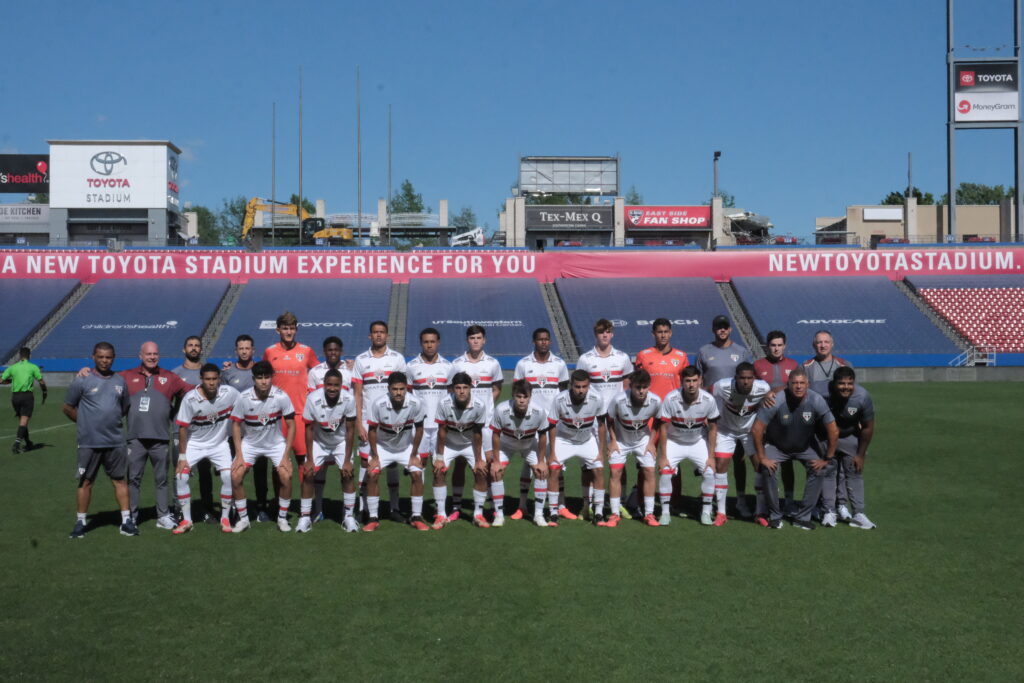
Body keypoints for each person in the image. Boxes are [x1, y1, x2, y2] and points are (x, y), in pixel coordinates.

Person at [750, 366, 838, 530]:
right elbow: (756, 429)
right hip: (777, 446)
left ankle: (802, 517)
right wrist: (762, 457)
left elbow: (833, 430)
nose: (798, 386)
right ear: (788, 384)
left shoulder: (816, 400)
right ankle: (775, 516)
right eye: (795, 383)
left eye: (802, 383)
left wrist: (827, 458)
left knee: (819, 469)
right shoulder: (775, 400)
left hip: (805, 447)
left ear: (807, 384)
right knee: (767, 469)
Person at [64, 342, 134, 538]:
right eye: (101, 357)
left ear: (113, 358)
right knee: (86, 482)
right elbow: (68, 407)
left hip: (115, 441)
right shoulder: (82, 380)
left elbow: (124, 408)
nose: (105, 361)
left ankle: (126, 521)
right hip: (89, 442)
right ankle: (80, 522)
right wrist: (85, 423)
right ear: (93, 357)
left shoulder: (120, 381)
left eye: (108, 357)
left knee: (119, 480)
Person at [120, 342, 192, 529]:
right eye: (148, 354)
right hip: (135, 438)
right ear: (140, 355)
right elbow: (106, 380)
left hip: (160, 439)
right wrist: (87, 371)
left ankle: (163, 515)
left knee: (162, 479)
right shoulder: (126, 376)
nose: (152, 357)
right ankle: (131, 516)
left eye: (155, 354)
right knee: (133, 479)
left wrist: (217, 381)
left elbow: (192, 390)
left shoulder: (170, 377)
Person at [695, 315, 755, 517]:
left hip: (737, 414)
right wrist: (701, 410)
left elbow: (750, 380)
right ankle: (709, 499)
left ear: (730, 329)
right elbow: (699, 383)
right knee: (712, 458)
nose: (722, 330)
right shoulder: (704, 351)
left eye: (725, 327)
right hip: (713, 415)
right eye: (718, 327)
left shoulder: (741, 351)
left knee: (739, 460)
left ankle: (740, 500)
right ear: (713, 330)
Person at [574, 319, 632, 520]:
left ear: (612, 334)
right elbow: (579, 387)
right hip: (592, 420)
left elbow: (627, 385)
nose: (605, 335)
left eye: (608, 332)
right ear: (595, 334)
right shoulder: (585, 359)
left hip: (616, 420)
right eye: (601, 332)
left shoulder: (622, 358)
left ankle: (620, 502)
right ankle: (588, 504)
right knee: (590, 463)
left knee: (619, 463)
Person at [262, 311, 319, 519]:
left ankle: (306, 507)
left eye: (292, 328)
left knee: (304, 462)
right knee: (278, 463)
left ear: (296, 329)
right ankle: (279, 505)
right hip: (277, 417)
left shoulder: (306, 351)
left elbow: (319, 373)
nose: (289, 332)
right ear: (278, 330)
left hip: (300, 416)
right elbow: (262, 376)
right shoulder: (269, 352)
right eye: (285, 328)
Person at [630, 318, 689, 518]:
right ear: (653, 334)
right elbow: (637, 383)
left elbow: (685, 385)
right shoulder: (643, 355)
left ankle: (674, 503)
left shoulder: (681, 356)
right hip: (649, 415)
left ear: (670, 333)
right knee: (645, 460)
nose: (663, 335)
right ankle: (640, 502)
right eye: (659, 332)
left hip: (672, 415)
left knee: (673, 460)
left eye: (666, 331)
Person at [229, 361, 296, 533]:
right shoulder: (243, 398)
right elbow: (235, 425)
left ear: (272, 378)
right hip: (251, 444)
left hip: (275, 444)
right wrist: (239, 455)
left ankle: (282, 518)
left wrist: (285, 456)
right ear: (253, 379)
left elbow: (291, 425)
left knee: (286, 475)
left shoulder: (281, 396)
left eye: (267, 377)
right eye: (260, 378)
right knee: (235, 475)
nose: (264, 381)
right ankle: (244, 519)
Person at [172, 364, 239, 534]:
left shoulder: (230, 393)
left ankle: (225, 518)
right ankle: (187, 520)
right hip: (194, 444)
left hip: (219, 444)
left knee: (227, 476)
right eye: (208, 379)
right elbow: (182, 428)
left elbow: (244, 405)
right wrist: (182, 457)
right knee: (181, 476)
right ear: (201, 379)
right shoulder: (190, 399)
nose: (211, 383)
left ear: (219, 379)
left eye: (215, 379)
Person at [510, 328, 567, 519]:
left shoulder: (559, 364)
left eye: (546, 339)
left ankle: (560, 505)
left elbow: (563, 392)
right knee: (530, 464)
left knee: (556, 463)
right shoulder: (523, 364)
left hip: (553, 424)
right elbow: (517, 391)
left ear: (550, 341)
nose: (543, 342)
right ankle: (522, 505)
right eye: (540, 339)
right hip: (530, 422)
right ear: (534, 342)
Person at [352, 321, 407, 520]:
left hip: (392, 421)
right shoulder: (361, 360)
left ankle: (394, 508)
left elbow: (404, 391)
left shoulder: (397, 359)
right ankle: (363, 508)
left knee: (392, 463)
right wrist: (359, 423)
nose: (378, 335)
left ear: (387, 336)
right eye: (375, 332)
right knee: (366, 464)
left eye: (382, 332)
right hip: (369, 422)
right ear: (370, 335)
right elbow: (357, 394)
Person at [448, 325, 503, 519]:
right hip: (463, 423)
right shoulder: (456, 364)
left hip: (485, 423)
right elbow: (451, 390)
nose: (476, 341)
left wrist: (485, 406)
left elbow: (497, 388)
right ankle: (456, 505)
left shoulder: (493, 363)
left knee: (487, 464)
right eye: (472, 338)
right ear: (467, 340)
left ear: (484, 340)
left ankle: (488, 504)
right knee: (460, 463)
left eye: (479, 338)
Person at [711, 362, 772, 526]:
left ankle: (760, 512)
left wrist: (769, 395)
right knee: (721, 465)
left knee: (759, 466)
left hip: (749, 432)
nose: (746, 382)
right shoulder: (722, 385)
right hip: (726, 430)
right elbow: (708, 393)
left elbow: (773, 394)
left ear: (754, 378)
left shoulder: (763, 387)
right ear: (735, 378)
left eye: (749, 378)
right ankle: (721, 513)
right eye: (742, 378)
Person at [656, 366, 719, 526]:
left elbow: (713, 429)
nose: (691, 384)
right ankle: (665, 513)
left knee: (710, 472)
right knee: (665, 472)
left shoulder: (709, 400)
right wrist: (663, 456)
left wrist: (711, 457)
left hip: (697, 441)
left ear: (700, 381)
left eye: (694, 380)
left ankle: (706, 512)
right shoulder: (671, 398)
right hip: (674, 441)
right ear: (681, 382)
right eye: (688, 381)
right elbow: (663, 428)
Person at [365, 372, 427, 532]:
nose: (398, 393)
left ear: (406, 388)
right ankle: (373, 518)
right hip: (382, 447)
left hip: (406, 448)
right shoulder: (378, 404)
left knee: (417, 474)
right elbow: (372, 431)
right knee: (372, 474)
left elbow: (420, 429)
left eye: (401, 389)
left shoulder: (416, 403)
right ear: (388, 389)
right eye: (394, 389)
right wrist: (375, 457)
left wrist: (413, 455)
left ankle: (416, 517)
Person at [546, 370, 608, 526]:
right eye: (577, 386)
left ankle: (599, 513)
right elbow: (552, 426)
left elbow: (601, 425)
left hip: (586, 440)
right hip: (564, 439)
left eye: (584, 386)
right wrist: (552, 452)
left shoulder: (597, 398)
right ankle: (553, 512)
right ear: (571, 385)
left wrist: (601, 451)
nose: (581, 390)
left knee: (599, 469)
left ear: (589, 385)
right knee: (553, 469)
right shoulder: (559, 399)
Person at [222, 334, 272, 522]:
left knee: (260, 472)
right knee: (236, 471)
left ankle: (261, 507)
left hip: (258, 431)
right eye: (241, 348)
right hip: (234, 431)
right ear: (236, 350)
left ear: (253, 350)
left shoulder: (261, 371)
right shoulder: (227, 373)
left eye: (247, 348)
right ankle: (237, 507)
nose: (244, 351)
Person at [803, 329, 853, 517]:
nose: (822, 345)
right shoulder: (806, 367)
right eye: (819, 342)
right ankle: (817, 504)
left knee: (840, 465)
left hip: (840, 423)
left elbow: (852, 393)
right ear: (813, 345)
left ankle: (841, 504)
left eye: (826, 342)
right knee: (817, 464)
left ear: (832, 344)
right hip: (817, 425)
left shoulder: (844, 365)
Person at [603, 369, 662, 527]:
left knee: (649, 471)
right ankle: (614, 514)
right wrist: (613, 441)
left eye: (644, 387)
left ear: (649, 386)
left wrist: (651, 442)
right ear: (631, 386)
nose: (641, 391)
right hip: (620, 440)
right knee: (615, 472)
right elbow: (609, 419)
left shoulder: (656, 401)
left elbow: (658, 420)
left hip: (643, 440)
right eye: (637, 387)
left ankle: (649, 514)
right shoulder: (619, 400)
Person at [489, 379, 552, 528]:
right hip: (506, 445)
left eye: (525, 396)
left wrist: (541, 461)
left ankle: (538, 515)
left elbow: (543, 436)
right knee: (496, 472)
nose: (522, 400)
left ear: (530, 396)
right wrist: (496, 461)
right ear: (513, 395)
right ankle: (499, 515)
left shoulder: (539, 411)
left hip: (529, 445)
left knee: (541, 472)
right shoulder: (501, 409)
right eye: (518, 396)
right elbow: (495, 435)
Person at [302, 369, 358, 532]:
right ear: (324, 384)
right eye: (329, 384)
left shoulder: (349, 399)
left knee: (347, 474)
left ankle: (348, 517)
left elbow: (350, 430)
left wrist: (347, 461)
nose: (332, 388)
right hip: (319, 442)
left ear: (341, 385)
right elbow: (308, 429)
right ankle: (305, 517)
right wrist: (309, 459)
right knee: (308, 473)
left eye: (336, 385)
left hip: (340, 442)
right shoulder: (312, 398)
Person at [821, 366, 876, 529]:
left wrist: (861, 455)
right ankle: (829, 511)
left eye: (849, 383)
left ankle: (859, 513)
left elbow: (868, 427)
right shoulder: (822, 392)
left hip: (850, 436)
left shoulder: (862, 396)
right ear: (834, 383)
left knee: (854, 472)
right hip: (826, 437)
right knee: (828, 472)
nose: (846, 387)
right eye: (841, 383)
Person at [406, 328, 452, 521]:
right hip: (420, 427)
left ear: (438, 342)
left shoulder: (448, 367)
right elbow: (407, 395)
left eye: (432, 341)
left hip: (441, 427)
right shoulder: (411, 366)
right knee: (419, 468)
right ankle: (418, 511)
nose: (429, 345)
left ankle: (440, 512)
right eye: (426, 342)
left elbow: (452, 396)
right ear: (421, 343)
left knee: (439, 467)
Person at [305, 335, 352, 521]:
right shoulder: (315, 372)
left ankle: (348, 515)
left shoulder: (349, 371)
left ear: (341, 351)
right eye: (329, 350)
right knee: (318, 471)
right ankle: (317, 509)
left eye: (336, 350)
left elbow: (353, 398)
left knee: (347, 472)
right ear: (324, 352)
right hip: (320, 432)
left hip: (341, 429)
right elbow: (312, 401)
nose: (333, 353)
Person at [753, 330, 800, 515]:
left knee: (787, 462)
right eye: (773, 345)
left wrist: (777, 390)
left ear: (785, 346)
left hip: (787, 420)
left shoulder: (793, 365)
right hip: (765, 420)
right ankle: (766, 501)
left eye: (780, 345)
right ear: (767, 346)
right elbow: (751, 391)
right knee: (766, 460)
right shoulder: (757, 365)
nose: (776, 348)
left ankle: (788, 501)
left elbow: (799, 388)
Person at [433, 372, 489, 528]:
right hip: (448, 443)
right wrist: (439, 458)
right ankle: (441, 515)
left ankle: (478, 514)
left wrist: (479, 460)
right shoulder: (444, 403)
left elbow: (477, 433)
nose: (462, 391)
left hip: (469, 444)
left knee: (481, 471)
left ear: (471, 388)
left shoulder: (479, 405)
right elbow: (441, 431)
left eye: (465, 387)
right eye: (458, 388)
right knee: (438, 471)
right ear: (452, 389)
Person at [171, 335, 215, 522]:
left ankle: (207, 509)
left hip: (204, 432)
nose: (194, 348)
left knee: (205, 472)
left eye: (197, 345)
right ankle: (179, 510)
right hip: (180, 430)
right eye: (190, 345)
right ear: (184, 349)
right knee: (180, 471)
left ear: (201, 349)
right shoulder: (174, 374)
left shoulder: (208, 372)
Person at [2, 346, 47, 454]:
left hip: (15, 397)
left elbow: (1, 381)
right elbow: (41, 382)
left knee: (22, 420)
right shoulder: (33, 367)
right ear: (29, 355)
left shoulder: (13, 367)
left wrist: (10, 381)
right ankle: (17, 444)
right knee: (24, 420)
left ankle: (28, 442)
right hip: (27, 396)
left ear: (20, 356)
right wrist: (45, 392)